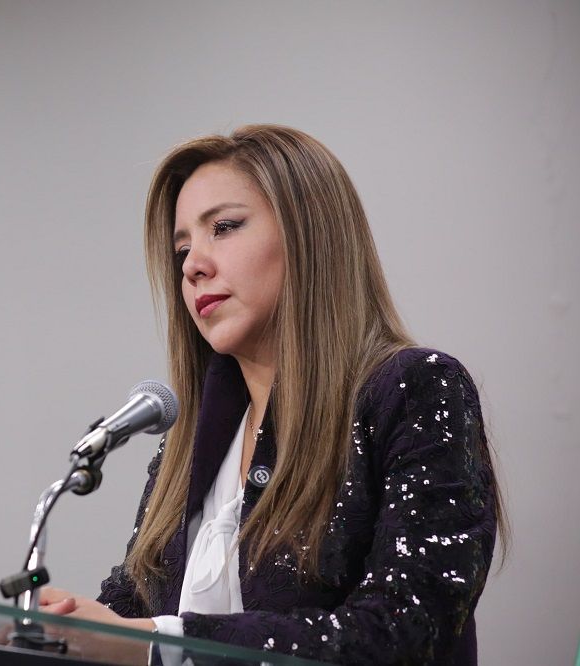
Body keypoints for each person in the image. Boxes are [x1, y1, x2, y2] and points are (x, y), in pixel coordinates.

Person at [38, 125, 505, 665]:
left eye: (224, 227)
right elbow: (133, 607)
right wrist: (64, 632)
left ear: (310, 235)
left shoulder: (414, 389)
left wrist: (155, 643)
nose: (191, 265)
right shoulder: (191, 441)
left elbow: (404, 631)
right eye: (182, 248)